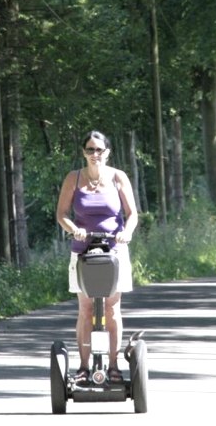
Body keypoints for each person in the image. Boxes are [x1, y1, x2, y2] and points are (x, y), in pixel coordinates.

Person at [56, 130, 138, 384]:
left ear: (107, 152)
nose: (94, 154)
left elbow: (132, 213)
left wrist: (127, 232)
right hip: (83, 249)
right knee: (86, 308)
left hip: (114, 249)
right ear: (84, 152)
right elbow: (61, 214)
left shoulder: (118, 178)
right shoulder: (74, 178)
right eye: (90, 150)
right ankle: (83, 366)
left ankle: (113, 366)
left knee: (112, 309)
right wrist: (74, 229)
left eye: (99, 150)